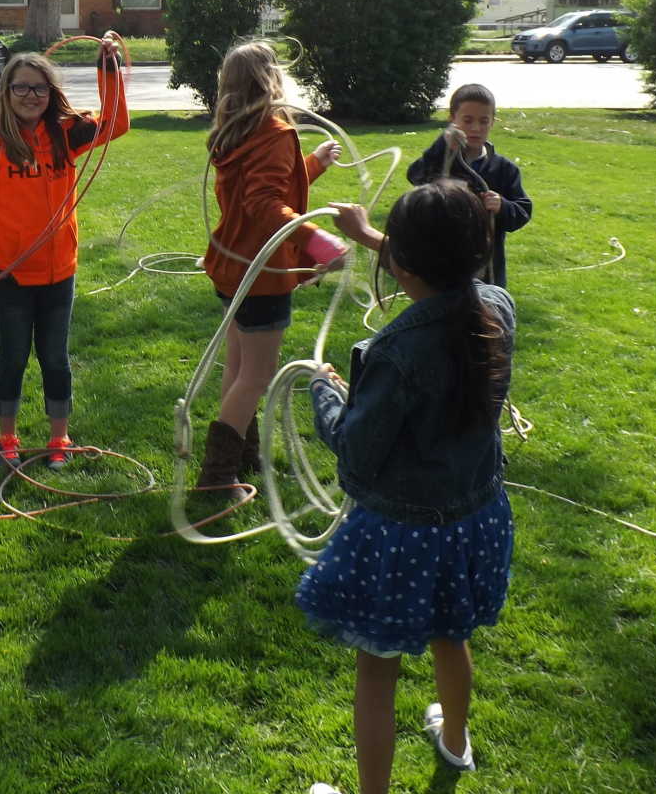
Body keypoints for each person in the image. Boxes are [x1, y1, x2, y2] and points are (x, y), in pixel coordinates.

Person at [301, 180, 516, 794]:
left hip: (401, 534)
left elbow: (357, 452)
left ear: (401, 263)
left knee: (377, 668)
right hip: (475, 516)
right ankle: (455, 742)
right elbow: (447, 276)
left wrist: (326, 392)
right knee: (452, 631)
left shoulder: (395, 352)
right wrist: (373, 237)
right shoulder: (497, 306)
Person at [0, 40, 128, 469]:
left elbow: (115, 124)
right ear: (6, 92)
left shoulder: (64, 133)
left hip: (59, 272)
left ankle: (59, 438)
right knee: (13, 357)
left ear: (51, 93)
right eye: (21, 87)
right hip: (12, 275)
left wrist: (108, 70)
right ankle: (7, 437)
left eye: (40, 88)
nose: (31, 96)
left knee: (55, 358)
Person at [198, 40, 342, 492]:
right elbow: (264, 203)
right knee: (256, 375)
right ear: (272, 80)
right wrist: (317, 240)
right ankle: (217, 477)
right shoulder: (274, 132)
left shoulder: (233, 133)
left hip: (231, 266)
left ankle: (243, 457)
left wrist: (312, 165)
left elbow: (266, 187)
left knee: (239, 367)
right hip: (261, 273)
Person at [405, 84, 531, 286]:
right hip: (440, 263)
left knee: (482, 305)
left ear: (492, 122)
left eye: (484, 121)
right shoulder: (442, 160)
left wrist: (502, 206)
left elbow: (522, 212)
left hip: (486, 271)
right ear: (452, 119)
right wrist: (442, 146)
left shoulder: (504, 169)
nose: (476, 128)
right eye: (467, 120)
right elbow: (416, 175)